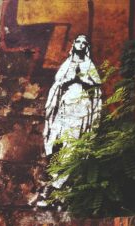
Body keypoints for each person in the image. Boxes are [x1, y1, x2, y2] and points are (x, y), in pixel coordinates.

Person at [33, 34, 103, 207]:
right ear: (74, 44)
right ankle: (57, 187)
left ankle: (57, 187)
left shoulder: (88, 65)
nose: (80, 44)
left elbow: (95, 85)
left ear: (86, 46)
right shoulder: (67, 63)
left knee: (73, 146)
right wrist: (70, 79)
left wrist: (82, 79)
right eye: (77, 41)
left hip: (81, 108)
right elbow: (58, 83)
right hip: (65, 107)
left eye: (83, 42)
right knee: (58, 144)